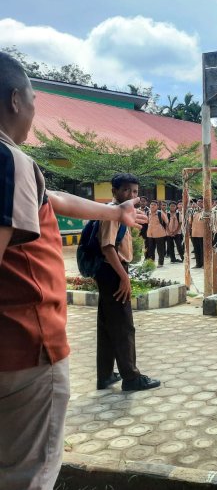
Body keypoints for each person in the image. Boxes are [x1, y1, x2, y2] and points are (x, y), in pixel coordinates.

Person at [0, 52, 147, 490]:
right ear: (14, 100)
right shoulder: (8, 161)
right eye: (33, 99)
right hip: (24, 347)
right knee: (29, 476)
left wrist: (115, 212)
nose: (34, 110)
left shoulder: (22, 169)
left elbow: (54, 198)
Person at [96, 174, 161, 392]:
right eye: (125, 190)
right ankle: (131, 377)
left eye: (134, 191)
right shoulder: (112, 213)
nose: (131, 195)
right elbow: (107, 247)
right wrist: (124, 277)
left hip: (110, 271)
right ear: (114, 191)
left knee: (107, 325)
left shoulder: (120, 212)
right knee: (123, 325)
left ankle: (105, 374)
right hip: (113, 271)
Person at [145, 200, 167, 266]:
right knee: (151, 249)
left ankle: (160, 263)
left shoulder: (160, 213)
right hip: (150, 234)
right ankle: (152, 262)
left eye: (154, 205)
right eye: (151, 204)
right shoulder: (147, 213)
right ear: (149, 205)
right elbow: (146, 222)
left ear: (157, 206)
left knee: (160, 250)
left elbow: (167, 222)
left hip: (159, 234)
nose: (152, 206)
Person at [190, 198, 205, 268]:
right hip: (194, 233)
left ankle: (204, 264)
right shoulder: (193, 211)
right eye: (198, 201)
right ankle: (198, 264)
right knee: (196, 249)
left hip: (203, 234)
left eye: (201, 202)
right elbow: (190, 222)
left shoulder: (206, 211)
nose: (199, 203)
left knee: (203, 250)